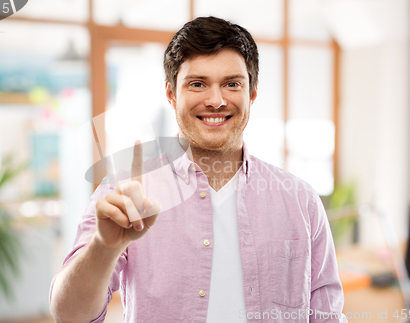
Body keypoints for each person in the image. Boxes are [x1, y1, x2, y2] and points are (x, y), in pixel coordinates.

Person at [50, 16, 347, 323]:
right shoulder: (122, 195)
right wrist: (104, 247)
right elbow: (68, 315)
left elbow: (328, 316)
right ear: (171, 94)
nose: (216, 101)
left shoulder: (301, 201)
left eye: (232, 84)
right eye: (197, 84)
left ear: (252, 93)